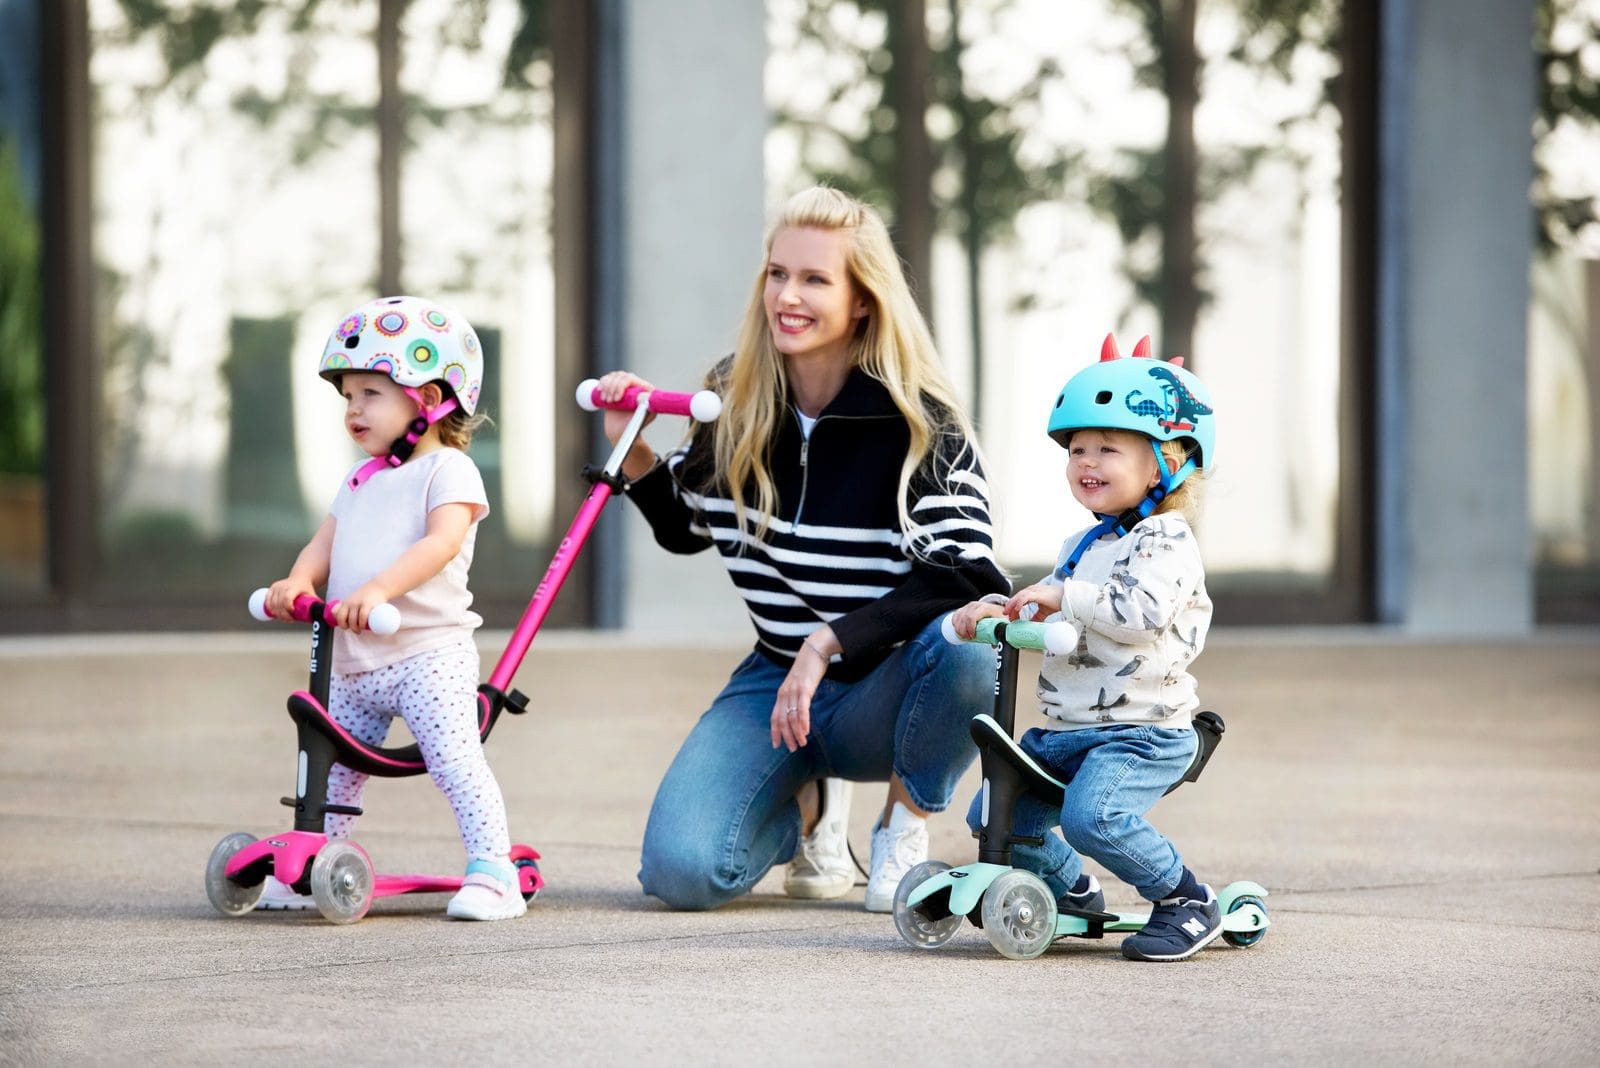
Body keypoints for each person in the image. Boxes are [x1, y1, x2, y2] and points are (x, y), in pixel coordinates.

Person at [597, 185, 1009, 912]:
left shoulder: (921, 422)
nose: (787, 294)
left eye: (815, 278)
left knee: (977, 649)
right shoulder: (736, 396)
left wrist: (829, 643)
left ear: (861, 300)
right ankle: (809, 811)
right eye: (777, 273)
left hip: (890, 691)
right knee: (682, 873)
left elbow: (967, 580)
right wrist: (629, 450)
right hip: (777, 685)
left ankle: (900, 831)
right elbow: (686, 530)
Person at [948, 333, 1220, 961]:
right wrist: (1001, 611)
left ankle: (1186, 899)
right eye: (1076, 448)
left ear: (1164, 462)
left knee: (1091, 818)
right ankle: (1071, 889)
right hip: (1070, 727)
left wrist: (1059, 596)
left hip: (1142, 732)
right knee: (996, 815)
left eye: (1108, 448)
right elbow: (1056, 601)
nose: (1085, 461)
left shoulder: (1166, 541)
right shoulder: (1084, 542)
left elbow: (1137, 611)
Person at [259, 295, 524, 922]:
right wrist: (296, 581)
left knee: (454, 760)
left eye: (371, 393)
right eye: (348, 395)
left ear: (428, 401)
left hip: (427, 655)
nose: (353, 409)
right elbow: (325, 543)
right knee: (335, 769)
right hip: (355, 659)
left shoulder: (448, 471)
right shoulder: (360, 480)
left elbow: (442, 543)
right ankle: (322, 862)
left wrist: (377, 590)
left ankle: (494, 870)